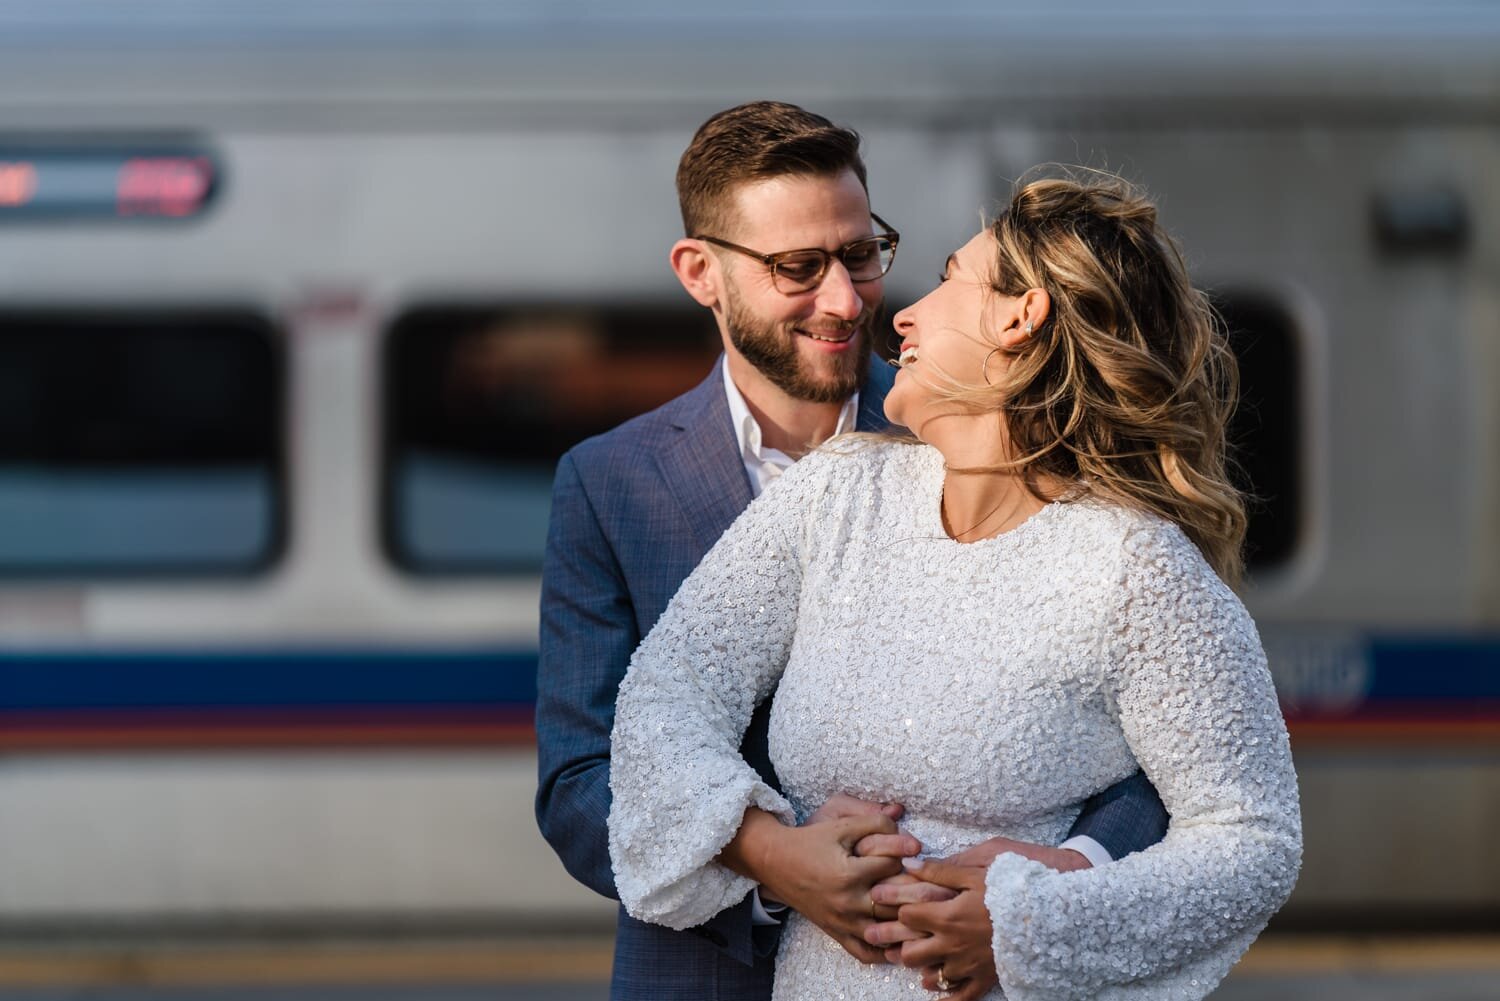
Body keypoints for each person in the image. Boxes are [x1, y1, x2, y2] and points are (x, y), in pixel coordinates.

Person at [606, 170, 1302, 1000]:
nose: (901, 312)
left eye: (947, 280)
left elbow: (1252, 836)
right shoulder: (835, 495)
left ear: (1021, 316)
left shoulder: (1134, 567)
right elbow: (667, 689)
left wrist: (1034, 927)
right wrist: (768, 848)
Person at [534, 103, 1169, 1001]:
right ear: (700, 272)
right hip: (697, 977)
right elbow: (577, 780)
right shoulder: (610, 483)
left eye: (861, 254)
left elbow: (1149, 758)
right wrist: (769, 856)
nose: (846, 300)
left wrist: (1061, 874)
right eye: (799, 268)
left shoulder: (970, 438)